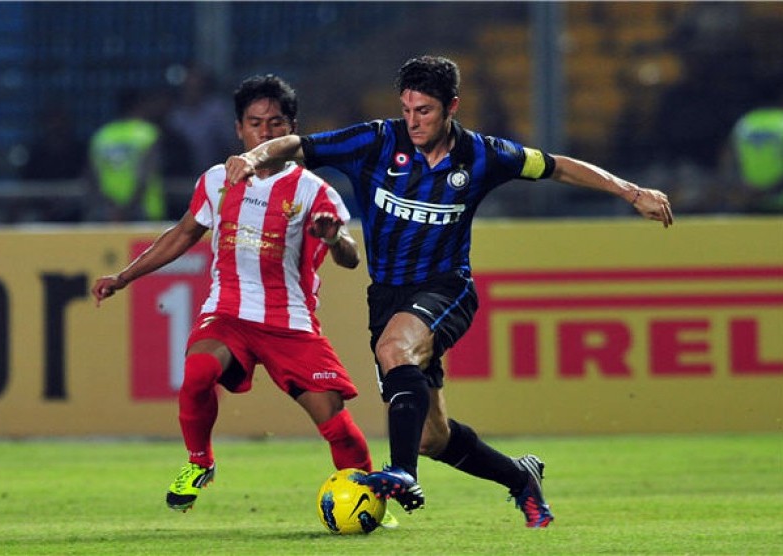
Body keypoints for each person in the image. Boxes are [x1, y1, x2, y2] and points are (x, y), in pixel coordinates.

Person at [225, 55, 674, 528]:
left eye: (425, 112)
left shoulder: (485, 155)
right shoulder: (377, 141)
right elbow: (299, 145)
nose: (414, 122)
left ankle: (401, 473)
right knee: (431, 436)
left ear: (452, 107)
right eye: (407, 110)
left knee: (395, 348)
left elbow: (557, 167)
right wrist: (254, 156)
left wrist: (630, 191)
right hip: (388, 296)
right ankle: (520, 478)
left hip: (447, 289)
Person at [92, 75, 395, 528]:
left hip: (288, 322)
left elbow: (351, 257)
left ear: (292, 128)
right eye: (255, 123)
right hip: (228, 313)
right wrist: (124, 275)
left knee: (332, 420)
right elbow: (182, 234)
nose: (266, 133)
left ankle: (370, 497)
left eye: (276, 123)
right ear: (239, 129)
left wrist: (334, 238)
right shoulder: (217, 179)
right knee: (196, 373)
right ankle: (200, 461)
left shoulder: (314, 190)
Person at [86, 88, 167, 222]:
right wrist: (127, 208)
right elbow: (146, 174)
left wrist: (111, 206)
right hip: (143, 211)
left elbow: (92, 176)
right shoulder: (148, 133)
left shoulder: (102, 135)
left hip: (108, 212)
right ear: (139, 106)